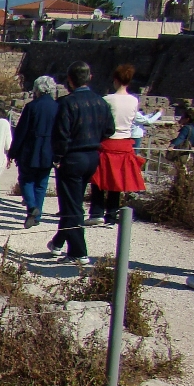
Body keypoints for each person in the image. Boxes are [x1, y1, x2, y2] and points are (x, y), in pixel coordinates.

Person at [49, 61, 115, 266]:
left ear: (69, 80)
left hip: (72, 157)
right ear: (90, 77)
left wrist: (57, 157)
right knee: (73, 201)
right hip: (92, 156)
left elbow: (61, 135)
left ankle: (78, 252)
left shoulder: (67, 103)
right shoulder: (101, 102)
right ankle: (58, 242)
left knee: (71, 205)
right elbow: (110, 130)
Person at [87, 64, 147, 226]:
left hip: (108, 141)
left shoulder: (107, 99)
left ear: (115, 80)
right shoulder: (134, 101)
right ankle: (112, 214)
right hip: (125, 143)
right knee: (116, 182)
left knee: (99, 179)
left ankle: (97, 212)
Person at [8, 76, 58, 228]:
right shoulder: (57, 107)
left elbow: (21, 132)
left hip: (30, 150)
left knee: (26, 180)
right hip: (49, 150)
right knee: (41, 184)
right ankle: (37, 216)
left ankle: (31, 207)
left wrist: (13, 152)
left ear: (37, 89)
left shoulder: (31, 107)